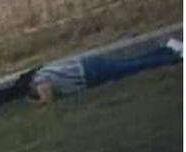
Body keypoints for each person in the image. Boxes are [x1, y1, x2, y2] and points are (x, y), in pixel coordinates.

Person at [29, 38, 182, 104]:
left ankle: (175, 57)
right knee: (133, 62)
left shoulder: (38, 80)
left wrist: (41, 103)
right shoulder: (43, 70)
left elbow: (46, 92)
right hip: (88, 65)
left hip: (91, 74)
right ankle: (167, 49)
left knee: (134, 66)